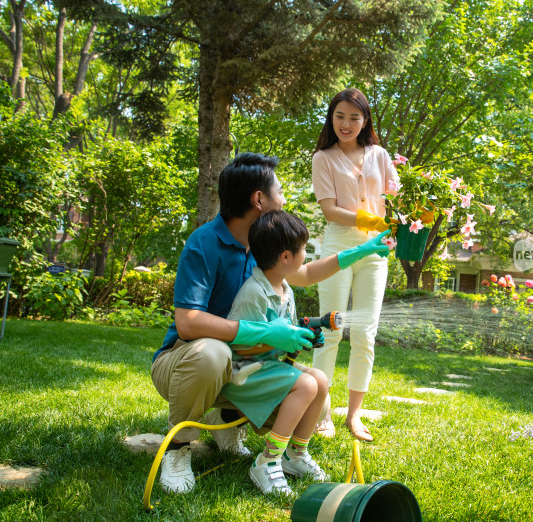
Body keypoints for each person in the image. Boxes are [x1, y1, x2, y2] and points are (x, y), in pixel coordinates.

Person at [151, 152, 390, 494]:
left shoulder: (264, 244)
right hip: (185, 361)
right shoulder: (203, 244)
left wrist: (360, 251)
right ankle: (178, 448)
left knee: (316, 389)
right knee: (213, 354)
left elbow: (303, 272)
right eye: (280, 189)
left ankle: (231, 424)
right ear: (259, 199)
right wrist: (266, 332)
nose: (285, 197)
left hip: (243, 363)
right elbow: (188, 323)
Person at [311, 88, 399, 442]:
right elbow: (330, 210)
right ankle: (320, 411)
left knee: (365, 333)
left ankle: (354, 414)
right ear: (331, 118)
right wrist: (369, 219)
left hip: (375, 253)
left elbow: (398, 196)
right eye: (339, 116)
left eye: (354, 117)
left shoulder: (379, 154)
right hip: (338, 247)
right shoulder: (323, 158)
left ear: (365, 121)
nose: (346, 124)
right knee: (330, 330)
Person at [224, 210, 329, 496]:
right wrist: (279, 343)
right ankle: (267, 460)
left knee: (319, 379)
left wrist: (300, 339)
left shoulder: (285, 290)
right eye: (304, 249)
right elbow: (239, 346)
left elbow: (286, 333)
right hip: (244, 372)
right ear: (285, 257)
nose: (306, 254)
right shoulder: (254, 292)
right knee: (306, 384)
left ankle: (294, 455)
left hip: (268, 367)